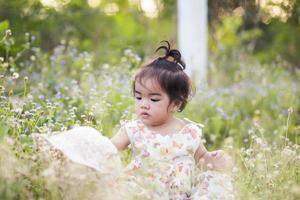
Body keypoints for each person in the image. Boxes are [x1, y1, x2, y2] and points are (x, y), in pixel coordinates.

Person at [33, 41, 234, 200]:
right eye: (139, 97)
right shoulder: (134, 129)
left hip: (180, 195)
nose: (144, 104)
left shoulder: (188, 132)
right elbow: (107, 150)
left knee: (216, 185)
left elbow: (203, 159)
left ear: (175, 104)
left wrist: (214, 160)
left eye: (154, 99)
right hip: (143, 192)